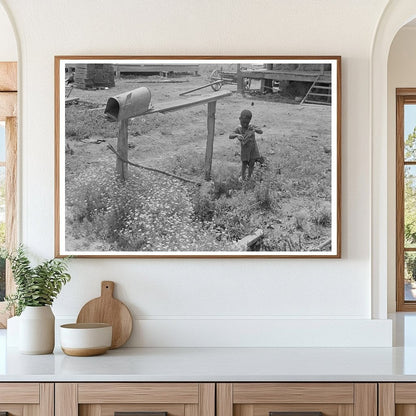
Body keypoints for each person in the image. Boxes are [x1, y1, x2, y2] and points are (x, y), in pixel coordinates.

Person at [229, 109, 263, 180]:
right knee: (244, 163)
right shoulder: (239, 128)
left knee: (252, 163)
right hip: (244, 150)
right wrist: (236, 135)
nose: (245, 124)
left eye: (246, 123)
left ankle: (249, 177)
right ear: (239, 119)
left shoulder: (251, 127)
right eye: (243, 122)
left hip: (253, 149)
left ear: (250, 121)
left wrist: (255, 129)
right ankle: (243, 177)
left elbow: (261, 131)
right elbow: (230, 136)